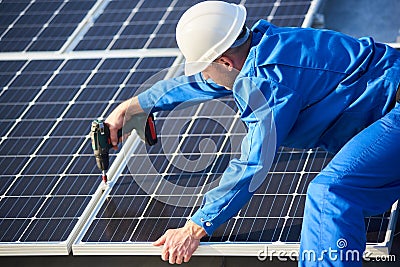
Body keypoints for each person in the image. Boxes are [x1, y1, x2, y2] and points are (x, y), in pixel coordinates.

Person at [105, 1, 400, 266]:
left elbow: (253, 164)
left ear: (224, 62)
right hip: (389, 104)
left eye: (205, 68)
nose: (205, 76)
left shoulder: (267, 83)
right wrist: (136, 106)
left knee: (330, 193)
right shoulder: (261, 45)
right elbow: (202, 83)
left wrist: (195, 227)